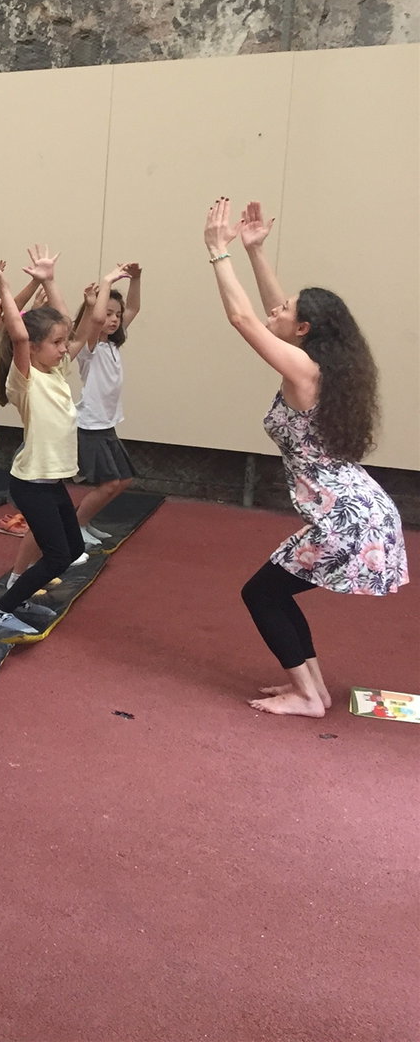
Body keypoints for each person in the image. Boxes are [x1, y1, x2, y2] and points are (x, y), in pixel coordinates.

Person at [204, 198, 407, 717]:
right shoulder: (315, 363)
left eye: (287, 310)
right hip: (357, 507)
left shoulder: (303, 371)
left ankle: (309, 696)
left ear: (304, 331)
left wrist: (218, 253)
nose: (276, 309)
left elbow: (243, 318)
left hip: (347, 517)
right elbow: (275, 314)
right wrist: (256, 252)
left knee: (262, 594)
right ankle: (312, 689)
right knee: (271, 592)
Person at [0, 248, 83, 637]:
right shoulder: (25, 379)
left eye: (63, 343)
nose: (64, 348)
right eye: (56, 343)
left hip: (50, 482)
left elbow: (66, 323)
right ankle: (0, 610)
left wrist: (50, 280)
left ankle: (19, 595)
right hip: (31, 483)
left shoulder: (56, 372)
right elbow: (19, 333)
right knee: (57, 555)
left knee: (73, 550)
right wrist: (3, 286)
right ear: (35, 348)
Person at [73, 264, 142, 544]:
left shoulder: (112, 345)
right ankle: (76, 526)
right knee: (110, 483)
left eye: (117, 315)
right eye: (109, 314)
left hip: (106, 424)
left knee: (123, 480)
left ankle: (85, 521)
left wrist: (136, 279)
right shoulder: (88, 348)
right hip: (90, 426)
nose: (113, 319)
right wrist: (106, 285)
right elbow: (96, 319)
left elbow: (134, 308)